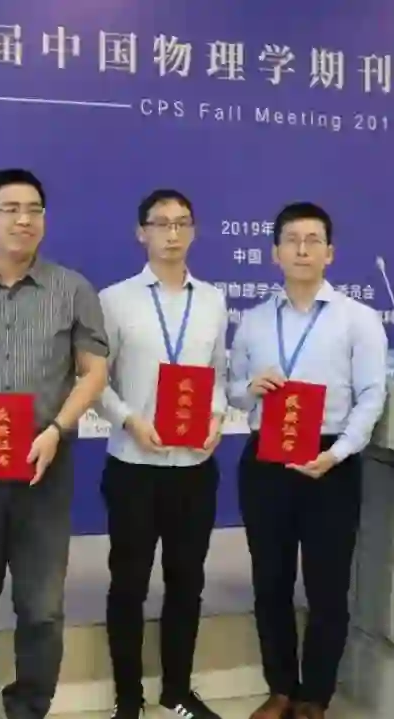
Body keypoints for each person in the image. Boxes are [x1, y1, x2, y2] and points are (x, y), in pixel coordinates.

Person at [0, 169, 109, 719]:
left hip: (44, 464)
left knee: (41, 607)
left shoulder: (72, 288)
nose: (23, 220)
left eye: (33, 209)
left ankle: (30, 706)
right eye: (9, 209)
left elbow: (94, 370)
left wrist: (57, 430)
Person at [229, 202, 388, 719]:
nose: (302, 249)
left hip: (330, 462)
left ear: (330, 253)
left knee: (327, 587)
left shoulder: (358, 319)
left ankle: (315, 697)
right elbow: (232, 391)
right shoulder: (254, 320)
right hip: (266, 462)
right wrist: (249, 388)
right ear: (275, 253)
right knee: (270, 582)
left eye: (313, 240)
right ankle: (280, 688)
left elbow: (371, 395)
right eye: (291, 240)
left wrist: (337, 454)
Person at [95, 189, 228, 719]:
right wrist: (131, 419)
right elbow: (96, 381)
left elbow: (218, 375)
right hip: (134, 466)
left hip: (194, 469)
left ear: (193, 231)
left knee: (186, 582)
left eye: (182, 223)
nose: (173, 234)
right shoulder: (114, 300)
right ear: (141, 232)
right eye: (161, 223)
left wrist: (216, 417)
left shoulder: (213, 300)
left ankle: (177, 691)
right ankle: (128, 698)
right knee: (128, 585)